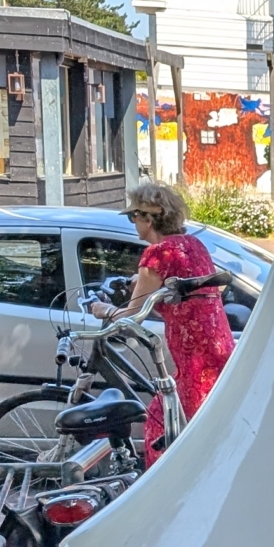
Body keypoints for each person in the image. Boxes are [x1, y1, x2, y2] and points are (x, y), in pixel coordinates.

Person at [94, 181, 233, 460]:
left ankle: (163, 496)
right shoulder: (193, 245)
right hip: (218, 351)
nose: (133, 223)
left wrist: (104, 310)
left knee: (163, 429)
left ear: (148, 218)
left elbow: (131, 315)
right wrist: (152, 286)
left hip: (194, 361)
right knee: (203, 433)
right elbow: (205, 288)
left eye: (134, 216)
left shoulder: (156, 254)